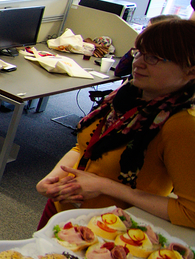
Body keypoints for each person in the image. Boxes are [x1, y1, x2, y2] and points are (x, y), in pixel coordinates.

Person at [35, 18, 195, 229]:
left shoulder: (181, 125)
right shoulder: (126, 96)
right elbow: (84, 148)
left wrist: (104, 186)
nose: (138, 63)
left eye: (154, 58)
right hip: (62, 208)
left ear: (190, 71)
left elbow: (190, 213)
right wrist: (53, 178)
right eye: (138, 52)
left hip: (110, 229)